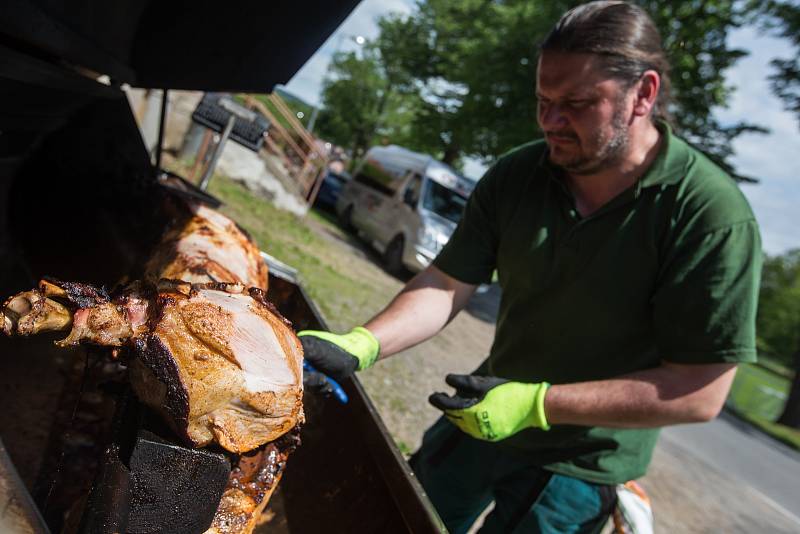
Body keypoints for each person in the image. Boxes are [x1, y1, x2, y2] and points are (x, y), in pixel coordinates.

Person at [299, 2, 762, 532]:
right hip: (482, 415)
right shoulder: (519, 174)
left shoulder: (708, 215)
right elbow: (449, 282)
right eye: (543, 101)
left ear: (644, 94)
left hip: (580, 466)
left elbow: (700, 389)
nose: (551, 121)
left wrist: (539, 404)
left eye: (577, 103)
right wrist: (363, 344)